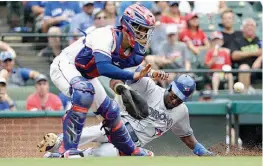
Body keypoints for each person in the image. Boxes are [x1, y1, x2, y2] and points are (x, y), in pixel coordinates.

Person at [49, 4, 159, 157]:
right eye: (140, 28)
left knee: (111, 112)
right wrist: (132, 76)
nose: (144, 33)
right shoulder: (105, 35)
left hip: (85, 75)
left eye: (146, 30)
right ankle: (67, 150)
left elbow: (116, 75)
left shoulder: (135, 53)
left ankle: (129, 150)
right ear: (127, 25)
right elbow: (104, 68)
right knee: (83, 92)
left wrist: (130, 83)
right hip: (65, 64)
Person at [38, 74, 214, 157]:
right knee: (94, 132)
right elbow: (117, 78)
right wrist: (121, 87)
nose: (175, 100)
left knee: (103, 155)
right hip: (118, 124)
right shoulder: (150, 87)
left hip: (131, 144)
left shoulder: (181, 112)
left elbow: (186, 135)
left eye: (180, 99)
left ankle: (58, 158)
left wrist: (201, 151)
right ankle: (57, 143)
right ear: (169, 87)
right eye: (174, 95)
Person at [231, 18, 262, 94]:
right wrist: (254, 52)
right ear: (243, 28)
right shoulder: (238, 41)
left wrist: (259, 60)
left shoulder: (259, 40)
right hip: (243, 67)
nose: (250, 27)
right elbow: (234, 55)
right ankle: (245, 94)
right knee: (244, 68)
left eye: (252, 25)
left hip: (258, 68)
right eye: (248, 25)